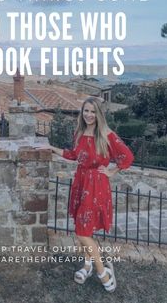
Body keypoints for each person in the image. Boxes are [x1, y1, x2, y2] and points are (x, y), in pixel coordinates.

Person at [46, 97, 134, 292]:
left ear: (99, 114)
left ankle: (103, 272)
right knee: (87, 228)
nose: (89, 115)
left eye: (93, 111)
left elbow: (127, 156)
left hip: (96, 186)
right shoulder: (78, 132)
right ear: (82, 112)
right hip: (81, 182)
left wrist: (112, 171)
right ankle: (87, 265)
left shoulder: (106, 133)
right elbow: (73, 155)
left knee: (82, 232)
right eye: (86, 110)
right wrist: (51, 148)